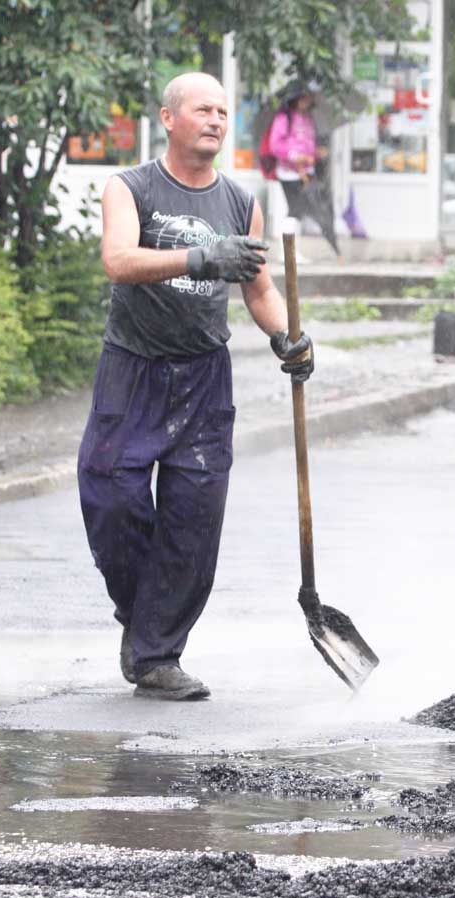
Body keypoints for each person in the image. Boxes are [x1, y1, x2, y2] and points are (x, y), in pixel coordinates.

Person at [77, 71, 314, 701]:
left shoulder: (239, 202)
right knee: (110, 499)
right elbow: (118, 261)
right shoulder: (129, 187)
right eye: (202, 109)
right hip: (132, 370)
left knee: (193, 518)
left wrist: (287, 335)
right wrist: (199, 258)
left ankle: (156, 656)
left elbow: (260, 290)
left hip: (205, 378)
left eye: (223, 111)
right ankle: (146, 619)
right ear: (169, 118)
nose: (215, 119)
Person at [266, 80, 340, 258]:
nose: (307, 101)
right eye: (304, 98)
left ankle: (331, 250)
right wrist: (293, 156)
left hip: (307, 172)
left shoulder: (308, 119)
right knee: (295, 210)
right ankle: (287, 252)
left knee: (310, 209)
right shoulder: (284, 119)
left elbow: (308, 145)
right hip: (290, 173)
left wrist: (315, 154)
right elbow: (275, 145)